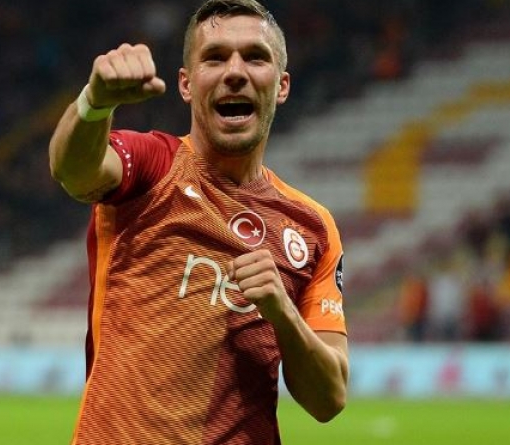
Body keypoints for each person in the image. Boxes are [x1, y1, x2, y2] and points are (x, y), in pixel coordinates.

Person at [48, 1, 348, 443]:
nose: (235, 71)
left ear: (282, 85)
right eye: (215, 57)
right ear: (186, 85)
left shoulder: (312, 226)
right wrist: (95, 103)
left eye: (255, 57)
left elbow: (329, 399)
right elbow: (73, 171)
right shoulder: (153, 165)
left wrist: (283, 313)